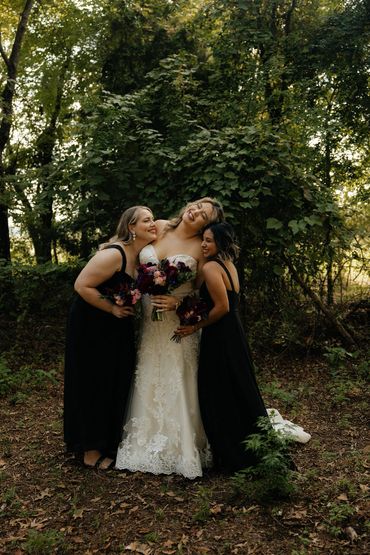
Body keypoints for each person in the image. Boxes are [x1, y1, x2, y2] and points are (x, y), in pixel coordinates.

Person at [175, 222, 310, 473]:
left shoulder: (213, 267)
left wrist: (194, 327)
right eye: (203, 240)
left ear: (221, 244)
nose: (204, 244)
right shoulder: (229, 266)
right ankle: (243, 447)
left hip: (221, 336)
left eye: (209, 241)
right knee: (237, 388)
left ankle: (234, 455)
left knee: (217, 392)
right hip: (233, 332)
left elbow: (222, 307)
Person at [115, 198, 225, 478]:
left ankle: (181, 447)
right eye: (197, 204)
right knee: (149, 371)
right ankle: (144, 443)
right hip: (149, 324)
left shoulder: (201, 249)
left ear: (207, 226)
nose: (196, 210)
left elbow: (200, 295)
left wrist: (178, 305)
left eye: (204, 214)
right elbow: (128, 247)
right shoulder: (160, 227)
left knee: (178, 376)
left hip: (176, 325)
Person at [64, 206, 157, 470]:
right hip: (92, 323)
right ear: (131, 227)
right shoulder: (113, 254)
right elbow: (82, 285)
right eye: (146, 220)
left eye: (153, 219)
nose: (153, 223)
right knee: (94, 380)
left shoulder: (140, 257)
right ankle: (89, 451)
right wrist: (112, 308)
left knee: (116, 377)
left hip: (118, 324)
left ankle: (107, 441)